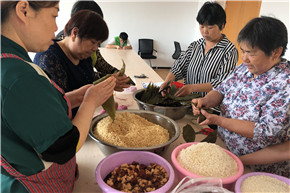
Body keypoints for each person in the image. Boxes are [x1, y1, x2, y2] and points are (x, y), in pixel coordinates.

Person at [1, 1, 116, 192]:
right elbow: (64, 147)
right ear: (24, 10)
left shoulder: (12, 60)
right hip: (34, 185)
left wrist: (75, 98)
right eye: (54, 15)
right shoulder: (19, 76)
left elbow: (33, 111)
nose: (56, 27)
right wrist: (90, 102)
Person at [192, 16, 289, 177]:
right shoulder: (245, 67)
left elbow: (266, 132)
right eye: (242, 51)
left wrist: (219, 121)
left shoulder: (285, 84)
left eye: (250, 53)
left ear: (275, 52)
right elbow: (221, 89)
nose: (244, 58)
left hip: (258, 168)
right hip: (228, 150)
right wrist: (206, 101)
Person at [34, 9, 127, 117]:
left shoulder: (83, 54)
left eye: (98, 44)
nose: (95, 48)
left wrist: (110, 80)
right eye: (93, 42)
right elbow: (56, 106)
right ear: (75, 33)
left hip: (83, 116)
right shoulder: (49, 58)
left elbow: (87, 78)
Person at [160, 1, 238, 101]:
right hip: (188, 102)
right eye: (201, 26)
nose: (205, 31)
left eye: (210, 27)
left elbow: (222, 82)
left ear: (222, 25)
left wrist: (192, 88)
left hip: (210, 106)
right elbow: (179, 66)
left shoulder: (229, 51)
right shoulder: (195, 46)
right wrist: (167, 82)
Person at [55, 0, 125, 84]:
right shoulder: (62, 49)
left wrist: (118, 75)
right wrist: (109, 79)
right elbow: (80, 76)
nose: (95, 48)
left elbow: (96, 68)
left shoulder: (85, 48)